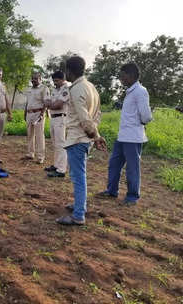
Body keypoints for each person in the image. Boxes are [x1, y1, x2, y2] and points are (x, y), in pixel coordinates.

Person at [56, 56, 107, 226]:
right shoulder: (91, 87)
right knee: (79, 175)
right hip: (84, 139)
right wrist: (96, 136)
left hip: (78, 138)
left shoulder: (77, 89)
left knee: (78, 177)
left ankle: (78, 215)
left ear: (69, 71)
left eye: (66, 71)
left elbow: (85, 119)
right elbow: (97, 115)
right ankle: (79, 206)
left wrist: (94, 135)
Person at [96, 63, 152, 206]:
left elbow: (146, 116)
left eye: (123, 76)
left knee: (132, 168)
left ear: (131, 75)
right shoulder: (130, 92)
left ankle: (132, 196)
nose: (121, 79)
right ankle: (111, 190)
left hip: (133, 137)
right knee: (114, 164)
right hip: (123, 136)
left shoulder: (140, 91)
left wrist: (138, 123)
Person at [45, 71, 70, 177]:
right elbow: (47, 102)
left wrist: (51, 104)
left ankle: (61, 170)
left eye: (57, 80)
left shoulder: (66, 89)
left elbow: (58, 105)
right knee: (55, 144)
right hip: (53, 118)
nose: (55, 83)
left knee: (61, 144)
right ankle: (56, 165)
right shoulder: (55, 89)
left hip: (61, 118)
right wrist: (51, 104)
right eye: (54, 80)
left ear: (63, 79)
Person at [24, 72, 49, 164]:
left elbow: (46, 102)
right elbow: (27, 102)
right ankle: (30, 153)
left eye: (35, 78)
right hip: (29, 114)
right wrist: (25, 113)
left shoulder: (44, 88)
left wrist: (42, 114)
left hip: (38, 113)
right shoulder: (29, 89)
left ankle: (40, 157)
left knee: (39, 135)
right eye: (32, 78)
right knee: (29, 134)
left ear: (40, 79)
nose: (33, 80)